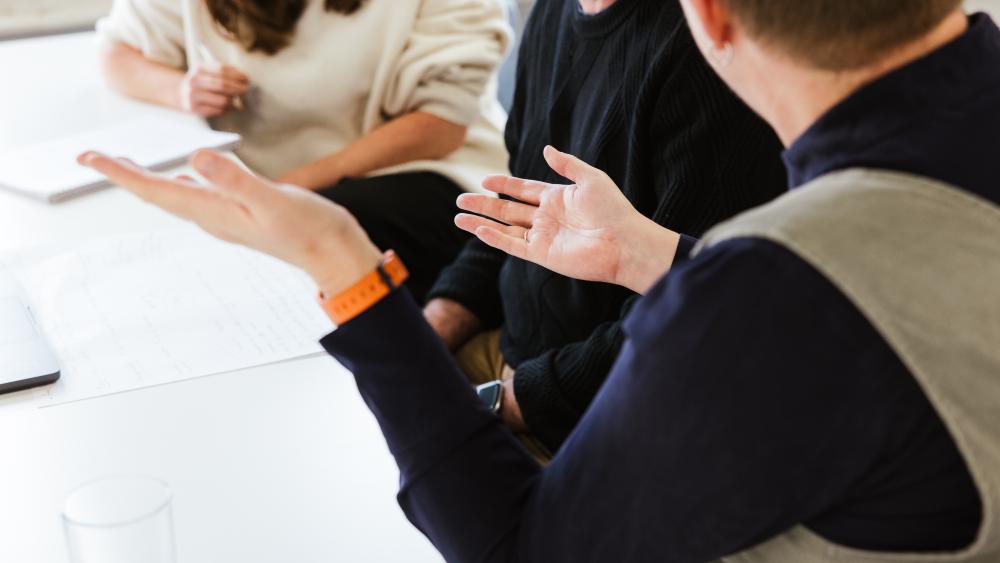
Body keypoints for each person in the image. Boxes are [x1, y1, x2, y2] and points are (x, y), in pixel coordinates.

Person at [79, 0, 1000, 561]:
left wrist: (344, 269)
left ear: (707, 15)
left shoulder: (775, 286)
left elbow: (521, 548)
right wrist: (655, 256)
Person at [421, 0, 787, 457]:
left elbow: (691, 318)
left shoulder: (702, 54)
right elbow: (520, 215)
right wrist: (432, 330)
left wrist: (503, 404)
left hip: (602, 416)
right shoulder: (555, 12)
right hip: (510, 364)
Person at [96, 0, 511, 300]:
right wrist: (182, 90)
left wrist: (278, 193)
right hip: (261, 181)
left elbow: (439, 127)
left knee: (281, 254)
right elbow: (118, 52)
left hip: (426, 173)